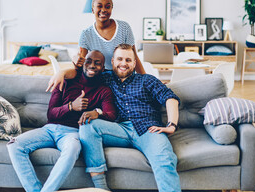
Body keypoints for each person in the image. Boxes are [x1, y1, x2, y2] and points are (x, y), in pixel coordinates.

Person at [50, 44, 181, 192]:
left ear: (134, 63)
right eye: (119, 59)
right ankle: (102, 188)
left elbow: (170, 98)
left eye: (128, 60)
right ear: (112, 61)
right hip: (118, 129)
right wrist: (61, 72)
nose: (123, 63)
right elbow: (82, 72)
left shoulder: (147, 80)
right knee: (87, 125)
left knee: (165, 159)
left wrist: (171, 125)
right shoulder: (105, 78)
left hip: (147, 129)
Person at [7, 50, 117, 192]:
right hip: (49, 129)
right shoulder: (65, 81)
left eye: (98, 63)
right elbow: (51, 114)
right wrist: (71, 106)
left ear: (103, 68)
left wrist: (97, 113)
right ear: (83, 63)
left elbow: (111, 115)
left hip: (73, 133)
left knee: (72, 149)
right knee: (14, 145)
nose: (92, 65)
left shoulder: (104, 90)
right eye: (89, 61)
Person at [46, 0, 145, 93]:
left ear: (111, 9)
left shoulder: (124, 28)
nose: (103, 10)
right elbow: (81, 68)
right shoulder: (86, 35)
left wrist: (146, 80)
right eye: (99, 6)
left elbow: (134, 58)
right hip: (102, 80)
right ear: (92, 9)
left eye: (107, 7)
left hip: (124, 77)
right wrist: (71, 65)